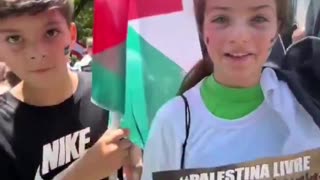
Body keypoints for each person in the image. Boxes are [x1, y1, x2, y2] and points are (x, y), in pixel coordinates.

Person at [141, 0, 320, 179]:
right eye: (221, 19)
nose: (239, 37)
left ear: (277, 28)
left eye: (258, 18)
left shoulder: (307, 104)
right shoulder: (173, 122)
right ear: (202, 27)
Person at [0, 0, 135, 179]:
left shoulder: (112, 94)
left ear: (72, 36)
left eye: (51, 33)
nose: (36, 52)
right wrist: (80, 174)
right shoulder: (3, 128)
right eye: (15, 38)